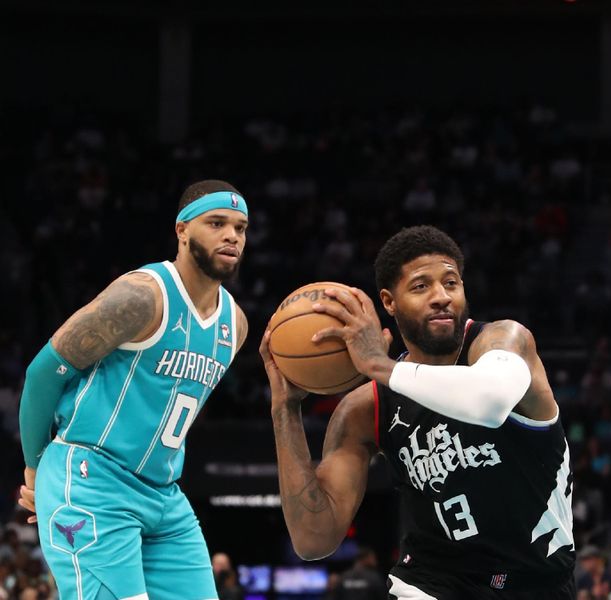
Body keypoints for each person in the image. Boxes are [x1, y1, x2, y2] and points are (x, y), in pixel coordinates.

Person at [261, 225, 575, 599]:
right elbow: (313, 539)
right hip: (429, 584)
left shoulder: (504, 342)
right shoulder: (365, 408)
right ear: (389, 302)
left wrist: (378, 364)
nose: (441, 297)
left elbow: (489, 403)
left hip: (537, 583)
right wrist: (285, 411)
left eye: (451, 283)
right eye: (421, 286)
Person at [17, 180, 249, 600]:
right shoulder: (141, 297)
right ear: (182, 230)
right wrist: (35, 469)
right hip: (93, 480)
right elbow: (42, 374)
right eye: (217, 223)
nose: (232, 235)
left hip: (163, 496)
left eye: (241, 227)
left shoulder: (236, 325)